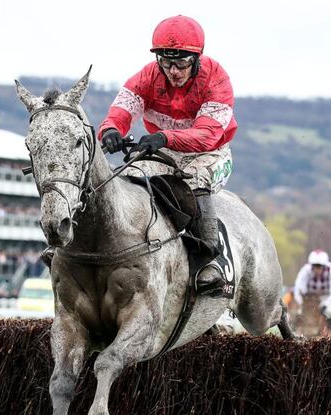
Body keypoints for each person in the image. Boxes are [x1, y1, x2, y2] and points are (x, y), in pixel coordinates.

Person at [98, 15, 237, 295]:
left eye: (181, 63)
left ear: (196, 59)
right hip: (164, 149)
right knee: (127, 178)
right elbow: (121, 111)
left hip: (209, 152)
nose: (173, 71)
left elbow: (206, 135)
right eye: (166, 62)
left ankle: (211, 262)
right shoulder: (146, 77)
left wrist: (163, 137)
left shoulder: (217, 79)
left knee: (195, 180)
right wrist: (111, 130)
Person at [293, 249, 331, 332]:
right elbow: (298, 289)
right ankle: (292, 333)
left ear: (324, 266)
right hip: (309, 300)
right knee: (297, 314)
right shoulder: (305, 270)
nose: (317, 269)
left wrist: (325, 304)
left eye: (319, 266)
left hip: (326, 298)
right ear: (311, 265)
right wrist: (302, 303)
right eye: (315, 266)